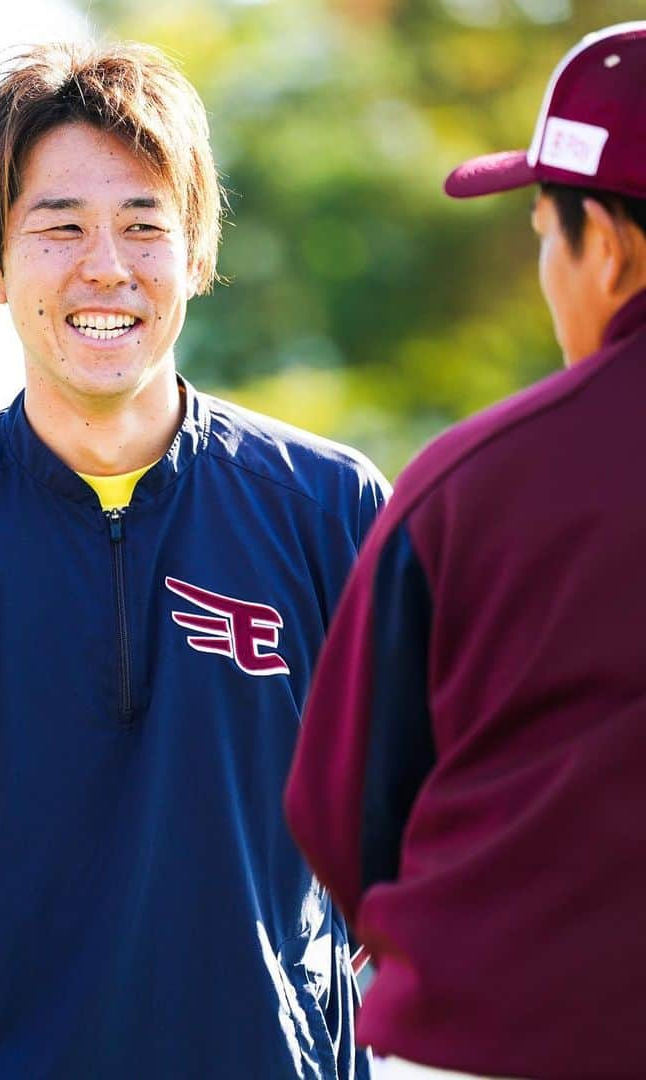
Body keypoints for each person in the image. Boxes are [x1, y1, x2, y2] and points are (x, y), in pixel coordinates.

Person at [0, 40, 388, 1078]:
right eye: (60, 228)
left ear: (195, 257)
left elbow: (407, 821)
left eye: (145, 225)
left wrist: (293, 1012)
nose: (108, 265)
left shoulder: (330, 514)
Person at [285, 21, 646, 1080]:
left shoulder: (471, 482)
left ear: (612, 247)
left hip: (491, 1043)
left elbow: (340, 809)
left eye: (544, 229)